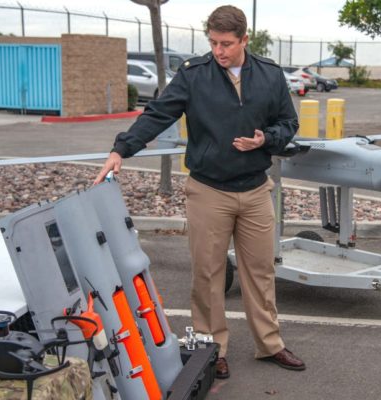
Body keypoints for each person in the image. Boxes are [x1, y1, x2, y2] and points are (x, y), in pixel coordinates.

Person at [94, 5, 305, 379]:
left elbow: (288, 123)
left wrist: (266, 139)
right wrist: (120, 149)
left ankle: (270, 344)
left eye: (226, 44)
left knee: (261, 272)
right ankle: (211, 349)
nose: (218, 51)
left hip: (256, 190)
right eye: (213, 42)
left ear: (244, 40)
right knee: (208, 275)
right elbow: (158, 113)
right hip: (209, 191)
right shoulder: (194, 75)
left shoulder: (270, 75)